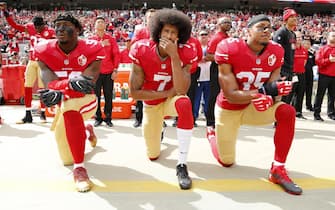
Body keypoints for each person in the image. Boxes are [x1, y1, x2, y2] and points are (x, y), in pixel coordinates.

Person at [212, 14, 302, 195]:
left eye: (269, 27)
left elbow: (273, 89)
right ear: (247, 30)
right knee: (226, 161)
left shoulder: (276, 51)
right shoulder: (229, 47)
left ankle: (278, 169)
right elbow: (231, 95)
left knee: (287, 111)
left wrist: (274, 96)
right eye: (261, 27)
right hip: (230, 108)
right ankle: (212, 136)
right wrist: (264, 93)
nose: (267, 31)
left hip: (254, 106)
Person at [35, 14, 105, 192]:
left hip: (86, 100)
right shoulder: (43, 49)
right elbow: (49, 83)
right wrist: (67, 86)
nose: (60, 29)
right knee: (66, 158)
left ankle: (79, 168)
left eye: (66, 25)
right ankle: (86, 130)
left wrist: (60, 89)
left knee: (71, 107)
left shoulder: (92, 47)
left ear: (78, 30)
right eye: (57, 26)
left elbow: (85, 84)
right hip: (64, 103)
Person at [129, 8, 196, 190]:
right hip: (151, 104)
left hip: (171, 102)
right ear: (158, 32)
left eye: (174, 32)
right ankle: (159, 130)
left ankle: (182, 164)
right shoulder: (141, 49)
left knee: (184, 102)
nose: (169, 35)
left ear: (179, 36)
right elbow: (134, 93)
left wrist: (174, 56)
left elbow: (181, 90)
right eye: (166, 30)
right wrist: (166, 93)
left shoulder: (186, 51)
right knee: (152, 154)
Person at [0, 3, 56, 124]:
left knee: (43, 88)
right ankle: (27, 114)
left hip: (43, 63)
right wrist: (6, 13)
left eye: (39, 27)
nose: (36, 29)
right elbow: (14, 25)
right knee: (27, 86)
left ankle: (43, 113)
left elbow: (56, 46)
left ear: (43, 25)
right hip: (32, 60)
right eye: (35, 27)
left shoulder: (50, 32)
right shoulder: (30, 27)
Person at [90, 16, 120, 127]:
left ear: (105, 25)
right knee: (96, 96)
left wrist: (115, 69)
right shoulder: (91, 40)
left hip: (108, 72)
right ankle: (98, 117)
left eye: (102, 22)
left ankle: (108, 117)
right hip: (96, 73)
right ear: (95, 25)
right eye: (98, 22)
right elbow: (89, 54)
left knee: (108, 96)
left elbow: (116, 55)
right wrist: (100, 45)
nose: (100, 24)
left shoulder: (111, 39)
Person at [205, 16, 231, 140]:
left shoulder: (227, 38)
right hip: (217, 68)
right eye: (226, 22)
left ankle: (220, 118)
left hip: (226, 69)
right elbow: (208, 56)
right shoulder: (216, 38)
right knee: (214, 94)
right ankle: (210, 121)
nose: (229, 24)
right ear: (219, 24)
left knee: (224, 93)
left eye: (230, 23)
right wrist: (222, 57)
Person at [131, 8, 156, 128]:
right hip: (141, 67)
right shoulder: (140, 31)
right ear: (146, 19)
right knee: (139, 92)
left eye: (153, 17)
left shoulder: (160, 32)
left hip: (155, 67)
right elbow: (133, 46)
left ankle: (159, 118)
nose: (151, 19)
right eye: (149, 17)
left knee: (156, 92)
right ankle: (138, 118)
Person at [273, 7, 298, 104]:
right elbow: (276, 52)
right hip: (282, 70)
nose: (295, 18)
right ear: (286, 19)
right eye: (291, 16)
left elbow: (291, 52)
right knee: (280, 98)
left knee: (287, 97)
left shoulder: (293, 34)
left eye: (295, 16)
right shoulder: (281, 32)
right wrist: (279, 72)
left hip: (290, 69)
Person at [313, 31, 335, 121]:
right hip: (324, 75)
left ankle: (331, 113)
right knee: (320, 95)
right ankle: (317, 113)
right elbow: (318, 61)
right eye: (333, 35)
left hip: (334, 76)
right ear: (328, 37)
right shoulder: (322, 49)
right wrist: (328, 60)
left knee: (332, 96)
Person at [193, 30, 211, 124]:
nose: (203, 36)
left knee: (208, 99)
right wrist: (200, 59)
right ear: (198, 36)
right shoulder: (195, 47)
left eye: (205, 34)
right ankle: (194, 117)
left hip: (209, 77)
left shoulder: (211, 47)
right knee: (197, 99)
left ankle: (208, 118)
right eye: (201, 34)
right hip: (199, 77)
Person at [291, 31, 308, 119]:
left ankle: (298, 112)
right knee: (290, 94)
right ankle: (290, 111)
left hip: (301, 74)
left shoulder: (304, 50)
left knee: (300, 93)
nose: (299, 39)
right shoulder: (291, 50)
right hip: (292, 74)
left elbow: (304, 62)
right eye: (297, 37)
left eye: (301, 38)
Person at [303, 37, 316, 112]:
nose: (307, 45)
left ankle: (309, 105)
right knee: (299, 91)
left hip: (309, 73)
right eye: (306, 43)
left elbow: (314, 63)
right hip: (301, 73)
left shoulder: (312, 53)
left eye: (309, 44)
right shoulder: (299, 52)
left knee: (309, 89)